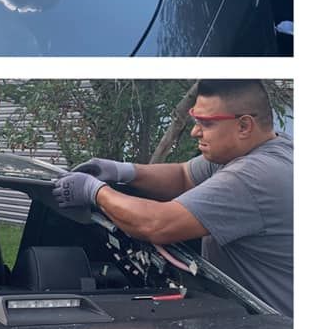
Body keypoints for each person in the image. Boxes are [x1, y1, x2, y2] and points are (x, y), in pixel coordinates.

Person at [53, 79, 293, 316]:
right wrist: (123, 171)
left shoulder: (253, 176)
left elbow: (156, 224)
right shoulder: (273, 147)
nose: (194, 131)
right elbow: (183, 176)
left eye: (206, 123)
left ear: (244, 126)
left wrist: (95, 192)